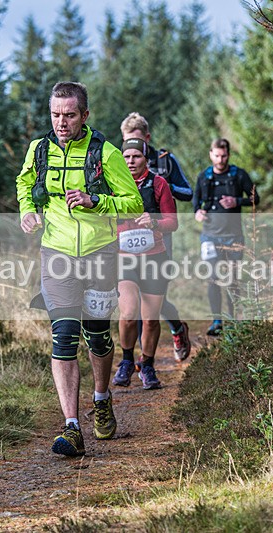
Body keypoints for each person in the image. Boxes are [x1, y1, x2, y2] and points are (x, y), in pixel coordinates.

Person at [16, 82, 143, 457]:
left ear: (84, 115)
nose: (61, 122)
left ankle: (101, 398)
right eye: (56, 114)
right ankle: (71, 427)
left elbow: (134, 203)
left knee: (98, 337)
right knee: (64, 336)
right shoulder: (39, 150)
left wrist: (95, 201)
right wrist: (28, 209)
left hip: (100, 254)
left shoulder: (106, 154)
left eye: (69, 115)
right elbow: (25, 182)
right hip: (56, 254)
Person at [119, 112, 192, 362]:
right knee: (134, 299)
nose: (132, 151)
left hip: (160, 234)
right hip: (128, 240)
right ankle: (142, 359)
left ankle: (176, 329)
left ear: (147, 138)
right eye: (127, 142)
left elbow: (188, 192)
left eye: (138, 141)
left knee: (154, 297)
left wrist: (161, 187)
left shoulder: (165, 160)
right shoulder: (121, 165)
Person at [113, 137, 178, 389]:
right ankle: (126, 361)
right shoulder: (113, 183)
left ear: (145, 159)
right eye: (126, 156)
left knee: (150, 319)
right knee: (129, 313)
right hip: (124, 258)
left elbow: (172, 222)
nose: (131, 161)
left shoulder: (159, 183)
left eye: (136, 156)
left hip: (154, 257)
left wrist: (154, 223)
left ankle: (148, 365)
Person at [192, 138, 259, 336]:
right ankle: (216, 321)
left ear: (228, 155)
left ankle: (234, 319)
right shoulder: (203, 176)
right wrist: (197, 212)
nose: (220, 160)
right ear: (211, 154)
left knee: (232, 279)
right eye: (217, 155)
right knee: (213, 278)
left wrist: (237, 201)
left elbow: (255, 198)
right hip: (210, 236)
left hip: (233, 237)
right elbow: (195, 202)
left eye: (224, 156)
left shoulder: (239, 175)